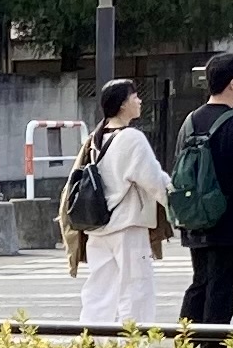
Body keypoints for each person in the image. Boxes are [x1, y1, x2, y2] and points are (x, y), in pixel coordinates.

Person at [66, 89, 170, 330]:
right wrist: (179, 207)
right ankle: (135, 346)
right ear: (123, 105)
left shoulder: (95, 137)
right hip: (127, 224)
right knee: (136, 287)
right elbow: (154, 180)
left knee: (100, 287)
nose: (140, 100)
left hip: (98, 226)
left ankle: (91, 338)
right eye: (134, 97)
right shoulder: (131, 138)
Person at [167, 51, 233, 327]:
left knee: (201, 282)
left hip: (194, 217)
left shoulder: (189, 121)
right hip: (228, 220)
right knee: (224, 288)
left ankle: (184, 345)